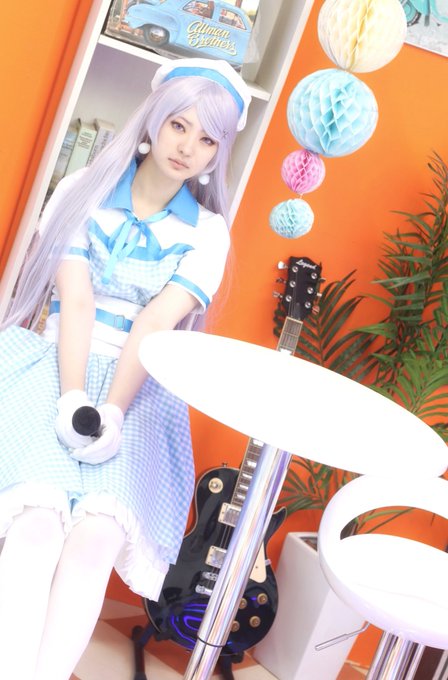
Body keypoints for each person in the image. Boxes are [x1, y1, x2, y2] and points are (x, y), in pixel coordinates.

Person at [0, 57, 251, 680]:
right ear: (153, 121)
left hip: (137, 392)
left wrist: (111, 411)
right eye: (179, 126)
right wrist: (73, 400)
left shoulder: (209, 233)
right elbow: (75, 300)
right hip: (57, 366)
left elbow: (153, 324)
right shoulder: (80, 190)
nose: (187, 147)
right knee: (35, 526)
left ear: (219, 152)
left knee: (94, 542)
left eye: (207, 139)